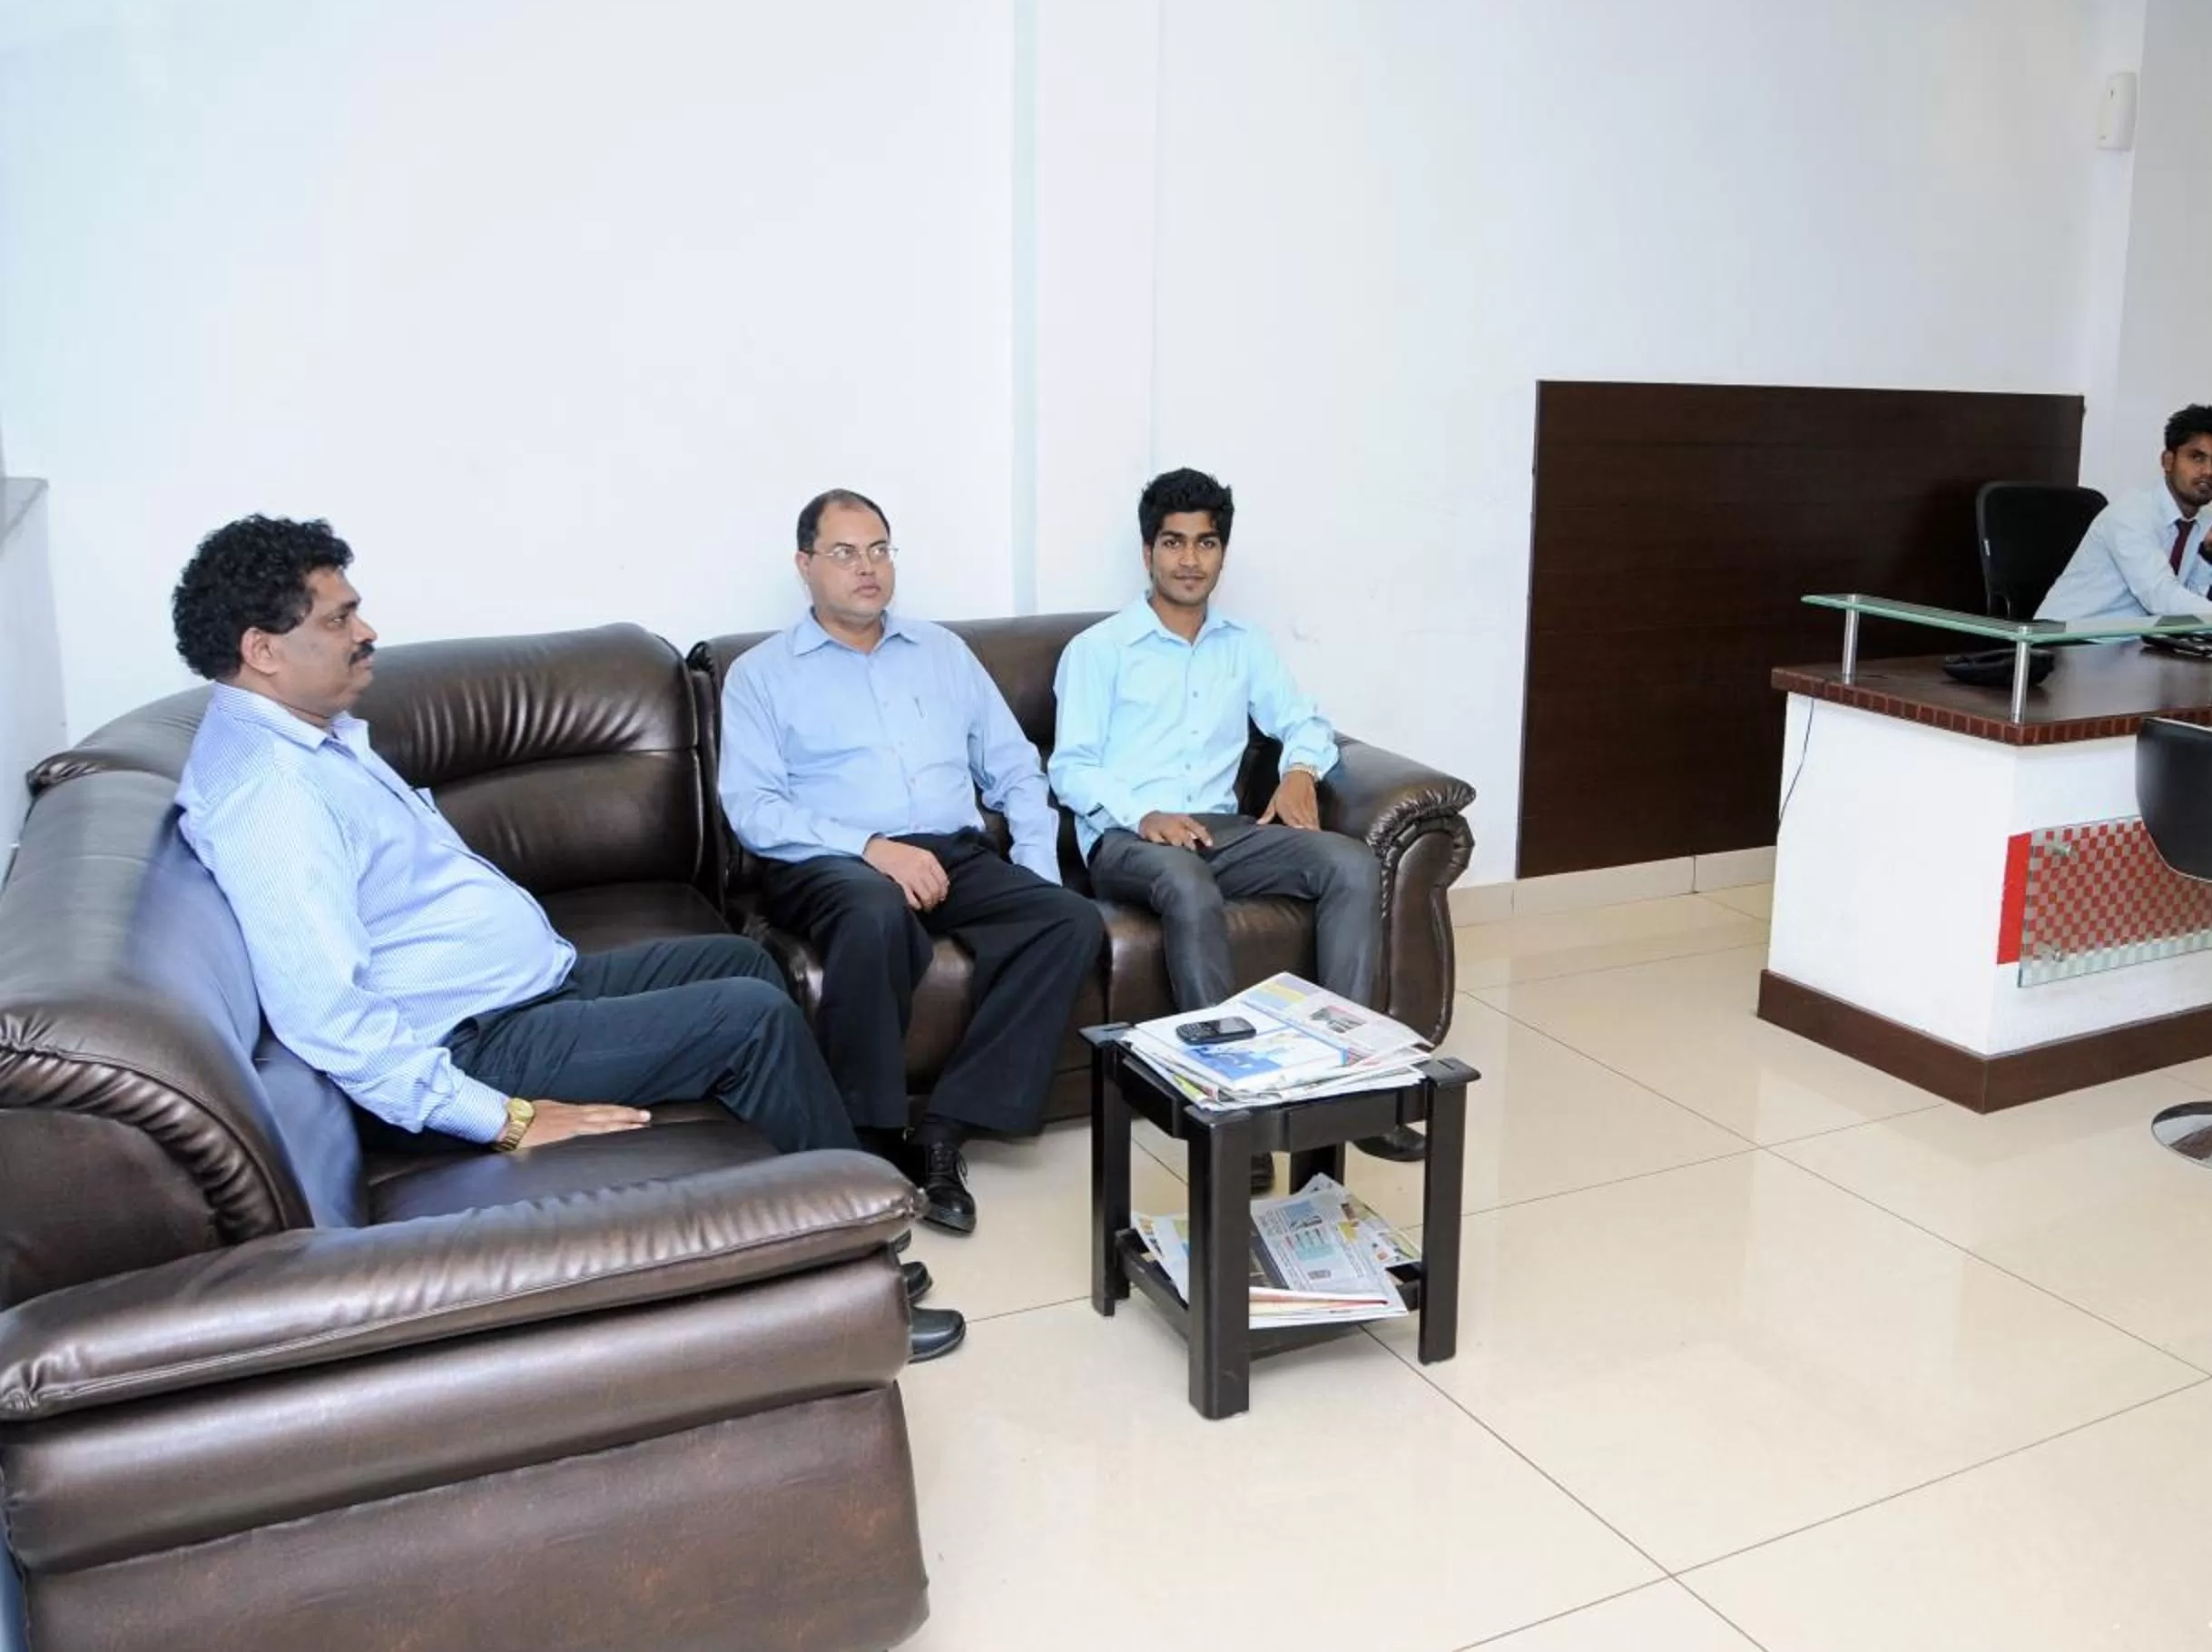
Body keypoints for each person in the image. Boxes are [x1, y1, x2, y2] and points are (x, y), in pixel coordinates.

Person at [168, 515, 962, 1362]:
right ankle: (851, 1275)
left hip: (526, 990)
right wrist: (501, 1120)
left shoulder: (312, 739)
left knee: (741, 959)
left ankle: (785, 1209)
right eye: (338, 619)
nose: (367, 634)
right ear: (262, 649)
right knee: (750, 1018)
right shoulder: (273, 799)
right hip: (475, 1043)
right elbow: (326, 1016)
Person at [718, 489, 1105, 1235]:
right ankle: (860, 1151)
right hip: (830, 860)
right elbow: (753, 810)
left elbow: (1017, 770)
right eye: (844, 553)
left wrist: (1030, 869)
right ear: (804, 566)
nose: (867, 569)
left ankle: (944, 1131)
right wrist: (871, 849)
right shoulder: (761, 675)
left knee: (1066, 920)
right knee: (874, 908)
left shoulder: (942, 653)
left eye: (879, 550)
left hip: (952, 849)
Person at [1049, 468, 1425, 1192]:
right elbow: (1070, 768)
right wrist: (1142, 814)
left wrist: (1299, 772)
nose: (1189, 559)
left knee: (1350, 864)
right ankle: (1231, 1107)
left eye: (1206, 543)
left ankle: (1354, 1086)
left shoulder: (1244, 645)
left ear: (1222, 553)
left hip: (1222, 830)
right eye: (1173, 543)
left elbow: (1305, 722)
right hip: (1127, 840)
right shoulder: (1100, 650)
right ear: (1147, 552)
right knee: (1186, 879)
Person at [2035, 403, 2212, 622]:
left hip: (2131, 643)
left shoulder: (2207, 523)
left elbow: (2196, 604)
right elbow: (2160, 597)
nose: (2208, 471)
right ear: (2168, 460)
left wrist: (2210, 552)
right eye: (2197, 457)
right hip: (2066, 640)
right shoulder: (2131, 515)